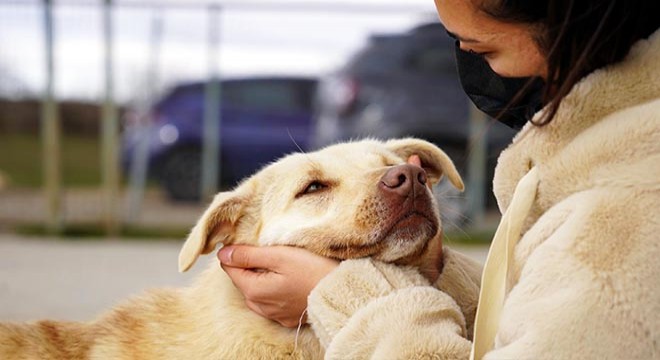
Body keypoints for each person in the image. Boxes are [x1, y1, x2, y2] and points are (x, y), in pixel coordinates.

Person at [217, 0, 660, 358]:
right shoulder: (605, 155)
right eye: (316, 188)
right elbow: (530, 329)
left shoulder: (622, 208)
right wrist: (432, 275)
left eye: (483, 49)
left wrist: (342, 298)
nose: (464, 56)